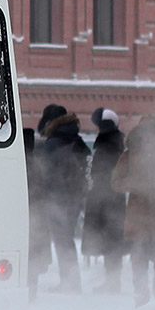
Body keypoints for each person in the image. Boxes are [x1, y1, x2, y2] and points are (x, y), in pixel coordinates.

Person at [112, 117, 155, 306]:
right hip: (138, 219)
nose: (148, 137)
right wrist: (134, 184)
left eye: (152, 133)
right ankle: (141, 299)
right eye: (145, 133)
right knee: (139, 261)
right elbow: (115, 182)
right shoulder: (129, 155)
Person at [37, 106, 90, 292]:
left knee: (62, 241)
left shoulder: (53, 143)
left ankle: (70, 283)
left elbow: (45, 173)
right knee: (66, 240)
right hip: (74, 196)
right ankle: (72, 281)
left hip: (58, 197)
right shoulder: (77, 139)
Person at [82, 108, 127, 293]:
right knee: (113, 241)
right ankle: (112, 280)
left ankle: (112, 282)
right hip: (114, 199)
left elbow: (100, 175)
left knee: (111, 241)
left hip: (105, 200)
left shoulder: (105, 146)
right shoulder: (117, 144)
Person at [24, 127, 51, 301]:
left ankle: (29, 292)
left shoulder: (19, 163)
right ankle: (32, 291)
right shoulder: (36, 164)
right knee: (33, 257)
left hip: (27, 216)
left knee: (28, 256)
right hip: (37, 216)